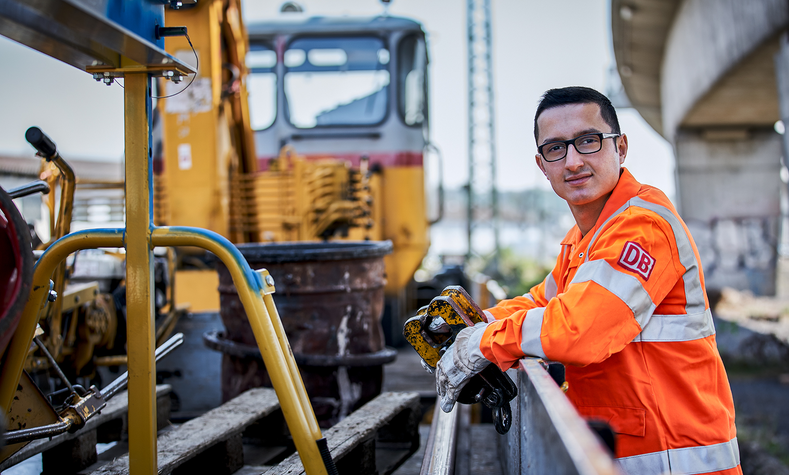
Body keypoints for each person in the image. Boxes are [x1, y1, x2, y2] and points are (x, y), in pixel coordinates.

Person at [435, 86, 741, 475]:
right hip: (624, 454)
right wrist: (472, 323)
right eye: (556, 149)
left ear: (621, 148)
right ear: (542, 165)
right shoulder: (585, 237)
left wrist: (484, 343)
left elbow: (580, 330)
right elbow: (541, 303)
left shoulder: (642, 227)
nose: (573, 161)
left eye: (588, 141)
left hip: (677, 459)